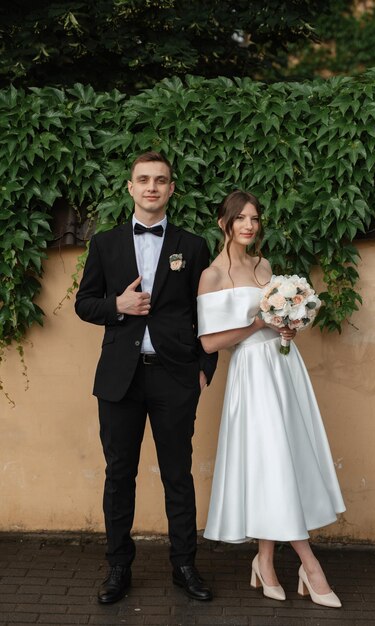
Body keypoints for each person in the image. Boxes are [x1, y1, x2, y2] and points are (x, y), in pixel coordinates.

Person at [75, 151, 218, 604]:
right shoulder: (105, 244)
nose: (152, 187)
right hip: (120, 379)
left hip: (176, 378)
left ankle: (184, 566)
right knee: (120, 474)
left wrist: (204, 370)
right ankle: (118, 568)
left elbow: (207, 315)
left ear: (171, 188)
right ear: (130, 188)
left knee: (178, 474)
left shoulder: (192, 246)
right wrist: (116, 306)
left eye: (160, 180)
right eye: (143, 179)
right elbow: (84, 303)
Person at [197, 190, 345, 608]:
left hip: (284, 367)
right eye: (240, 218)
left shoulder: (264, 265)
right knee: (273, 459)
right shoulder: (212, 275)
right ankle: (310, 564)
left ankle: (264, 561)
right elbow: (210, 343)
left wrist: (285, 325)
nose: (249, 225)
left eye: (255, 219)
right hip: (251, 374)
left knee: (282, 461)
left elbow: (274, 319)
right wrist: (259, 323)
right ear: (224, 222)